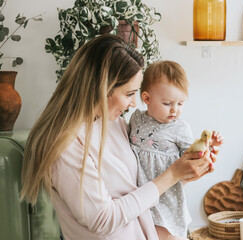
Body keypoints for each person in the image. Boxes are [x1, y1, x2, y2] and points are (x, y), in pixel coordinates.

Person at [20, 34, 217, 240]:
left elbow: (142, 189)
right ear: (102, 88)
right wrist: (172, 175)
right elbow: (102, 219)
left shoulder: (114, 123)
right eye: (129, 94)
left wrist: (187, 171)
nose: (134, 104)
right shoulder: (64, 143)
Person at [129, 60, 224, 239]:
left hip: (166, 197)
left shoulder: (179, 128)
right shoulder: (136, 120)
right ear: (147, 99)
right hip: (139, 194)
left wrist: (209, 145)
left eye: (180, 103)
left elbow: (193, 155)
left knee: (165, 233)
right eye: (167, 103)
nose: (175, 110)